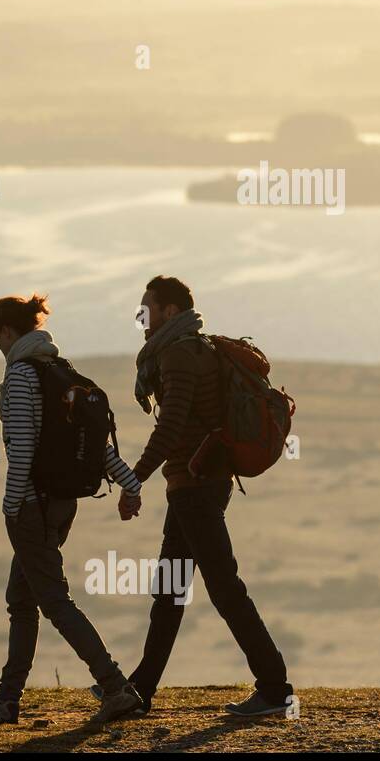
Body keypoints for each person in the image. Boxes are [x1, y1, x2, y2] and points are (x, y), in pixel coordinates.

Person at [116, 275, 295, 717]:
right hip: (198, 482)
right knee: (172, 589)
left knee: (223, 587)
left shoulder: (178, 355)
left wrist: (133, 479)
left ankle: (275, 688)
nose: (141, 318)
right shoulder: (200, 348)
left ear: (170, 312)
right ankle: (141, 689)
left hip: (196, 484)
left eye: (147, 309)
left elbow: (171, 425)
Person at [0, 292, 143, 726]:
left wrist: (12, 506)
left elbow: (23, 448)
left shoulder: (21, 378)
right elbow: (95, 445)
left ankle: (115, 686)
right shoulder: (61, 374)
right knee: (23, 598)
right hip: (62, 503)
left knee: (53, 601)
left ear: (9, 332)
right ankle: (7, 699)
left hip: (33, 505)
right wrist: (130, 483)